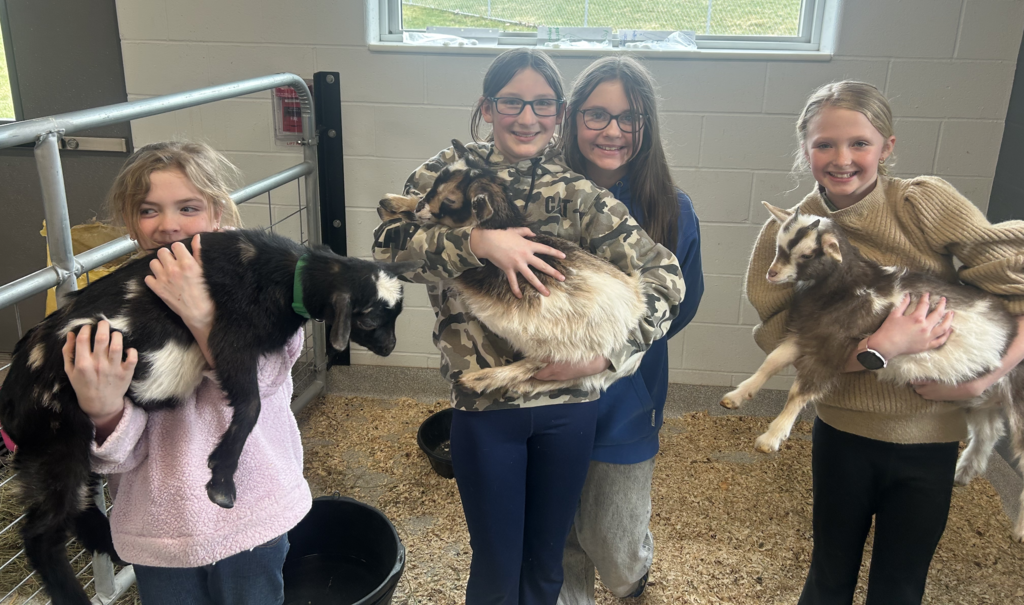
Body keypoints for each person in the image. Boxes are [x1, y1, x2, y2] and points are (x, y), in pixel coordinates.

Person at [372, 48, 685, 605]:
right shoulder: (447, 173)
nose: (526, 117)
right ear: (487, 108)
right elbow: (389, 252)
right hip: (486, 409)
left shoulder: (579, 194)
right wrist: (476, 242)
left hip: (569, 407)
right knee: (496, 566)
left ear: (559, 114)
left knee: (546, 565)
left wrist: (607, 357)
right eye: (511, 101)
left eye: (542, 104)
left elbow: (665, 275)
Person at [746, 81, 1024, 605]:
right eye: (824, 144)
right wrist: (880, 348)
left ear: (887, 147)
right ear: (805, 148)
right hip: (844, 432)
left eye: (860, 143)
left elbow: (1017, 286)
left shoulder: (922, 203)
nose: (842, 158)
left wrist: (985, 378)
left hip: (929, 439)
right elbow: (779, 332)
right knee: (827, 577)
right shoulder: (788, 230)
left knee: (900, 585)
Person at [62, 141, 311, 605]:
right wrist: (102, 410)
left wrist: (202, 319)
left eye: (188, 207)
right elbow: (118, 450)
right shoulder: (118, 307)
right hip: (161, 526)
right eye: (148, 210)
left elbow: (270, 377)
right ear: (132, 221)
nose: (169, 224)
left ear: (218, 212)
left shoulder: (262, 284)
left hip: (251, 511)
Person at [556, 57, 704, 604]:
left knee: (612, 539)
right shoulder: (542, 197)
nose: (613, 130)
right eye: (597, 114)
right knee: (558, 534)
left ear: (647, 126)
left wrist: (614, 349)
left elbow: (682, 305)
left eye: (628, 117)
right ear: (572, 118)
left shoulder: (672, 210)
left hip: (624, 397)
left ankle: (632, 576)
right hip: (549, 393)